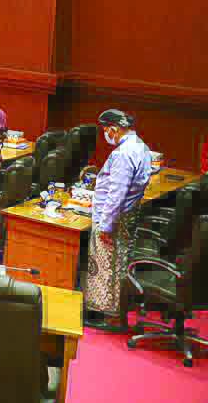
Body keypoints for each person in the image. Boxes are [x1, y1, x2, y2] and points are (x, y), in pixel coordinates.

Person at [84, 109, 153, 330]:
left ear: (114, 128)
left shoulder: (123, 154)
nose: (106, 134)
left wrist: (105, 225)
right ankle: (116, 311)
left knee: (107, 266)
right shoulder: (141, 146)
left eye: (106, 130)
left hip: (114, 218)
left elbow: (116, 194)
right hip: (128, 215)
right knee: (120, 262)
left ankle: (107, 315)